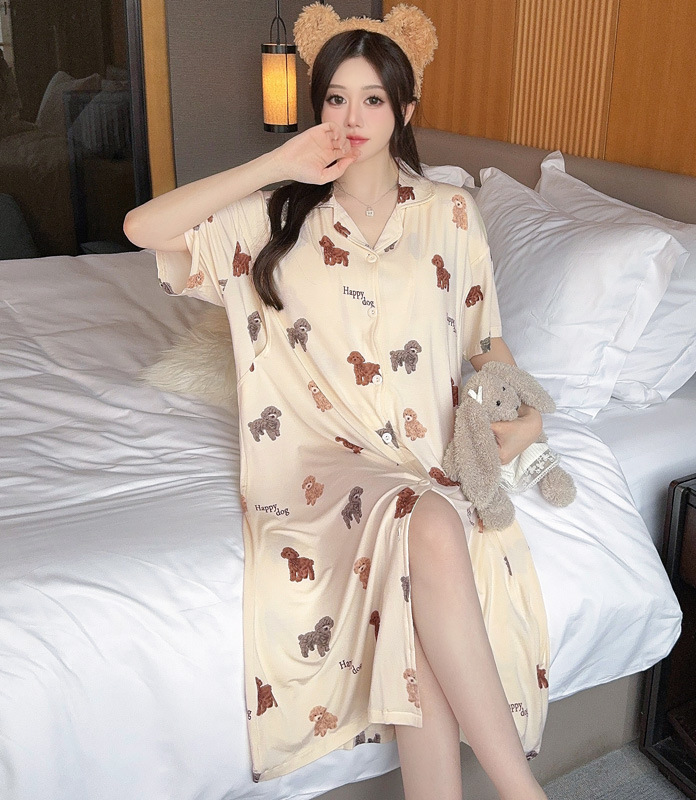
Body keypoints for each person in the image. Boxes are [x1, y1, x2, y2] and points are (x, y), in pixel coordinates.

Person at [124, 5, 550, 799]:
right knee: (429, 522)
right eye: (335, 98)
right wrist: (275, 163)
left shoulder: (451, 213)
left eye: (373, 100)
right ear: (316, 107)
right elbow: (142, 227)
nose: (352, 118)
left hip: (420, 458)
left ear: (405, 111)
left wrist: (525, 416)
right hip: (317, 467)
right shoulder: (276, 214)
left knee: (418, 598)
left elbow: (485, 338)